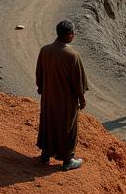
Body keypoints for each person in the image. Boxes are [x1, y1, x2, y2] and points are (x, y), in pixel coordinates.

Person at [35, 19, 89, 170]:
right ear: (70, 35)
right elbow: (79, 83)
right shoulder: (73, 55)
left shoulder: (45, 50)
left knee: (48, 123)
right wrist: (82, 99)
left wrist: (41, 88)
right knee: (68, 127)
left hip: (48, 98)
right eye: (73, 33)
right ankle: (67, 160)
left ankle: (45, 155)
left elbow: (39, 73)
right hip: (66, 101)